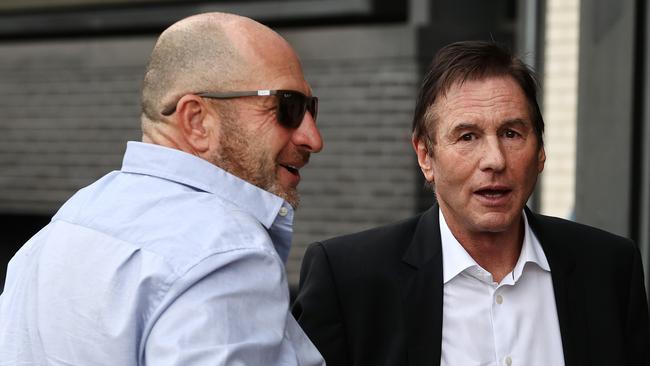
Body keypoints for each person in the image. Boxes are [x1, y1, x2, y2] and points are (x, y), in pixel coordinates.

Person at [292, 40, 650, 366]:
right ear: (425, 155)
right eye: (467, 136)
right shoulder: (350, 280)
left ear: (540, 150)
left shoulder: (608, 269)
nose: (494, 159)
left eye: (511, 134)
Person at [0, 12, 325, 366]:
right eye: (287, 107)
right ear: (197, 120)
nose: (312, 138)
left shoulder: (66, 226)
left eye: (311, 109)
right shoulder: (226, 253)